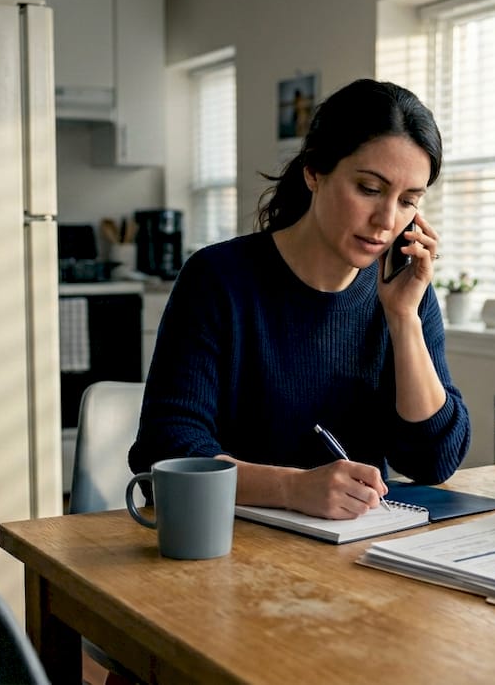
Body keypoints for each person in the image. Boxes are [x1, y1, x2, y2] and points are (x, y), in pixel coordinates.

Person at [129, 78, 471, 519]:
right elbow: (167, 450)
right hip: (226, 543)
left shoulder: (404, 292)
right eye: (369, 189)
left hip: (357, 549)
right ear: (314, 171)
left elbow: (432, 462)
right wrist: (293, 488)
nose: (387, 220)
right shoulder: (218, 279)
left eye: (408, 200)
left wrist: (404, 319)